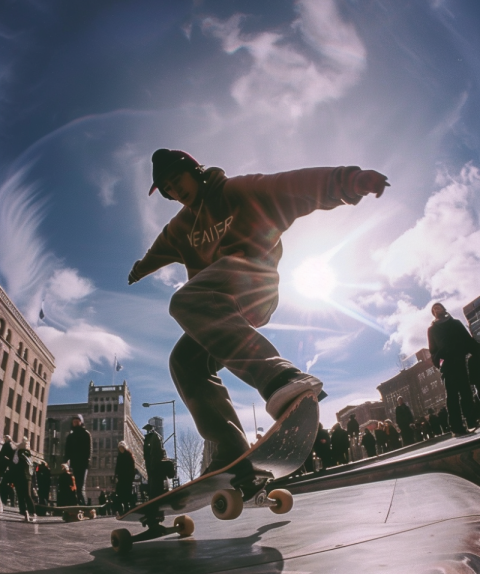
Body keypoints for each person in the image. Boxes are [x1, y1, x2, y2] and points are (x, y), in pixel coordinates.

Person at [128, 149, 389, 473]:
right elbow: (159, 249)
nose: (175, 190)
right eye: (167, 188)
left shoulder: (235, 192)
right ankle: (231, 449)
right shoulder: (180, 227)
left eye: (176, 180)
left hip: (254, 281)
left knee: (184, 300)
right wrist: (140, 268)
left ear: (193, 170)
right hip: (219, 308)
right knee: (184, 362)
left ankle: (280, 378)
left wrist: (348, 180)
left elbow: (289, 185)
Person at [428, 302, 479, 436]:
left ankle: (471, 421)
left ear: (443, 309)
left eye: (438, 307)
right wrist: (439, 361)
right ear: (433, 314)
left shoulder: (455, 323)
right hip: (447, 364)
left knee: (466, 392)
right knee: (452, 394)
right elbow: (432, 350)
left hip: (459, 361)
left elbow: (467, 340)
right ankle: (456, 427)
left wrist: (477, 351)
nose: (436, 309)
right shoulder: (432, 329)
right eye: (434, 309)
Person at [64, 414, 92, 504]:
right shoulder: (70, 436)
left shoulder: (85, 433)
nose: (75, 422)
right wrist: (65, 462)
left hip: (83, 464)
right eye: (74, 421)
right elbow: (67, 450)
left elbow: (89, 449)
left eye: (77, 420)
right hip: (74, 464)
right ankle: (77, 504)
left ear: (81, 422)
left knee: (80, 486)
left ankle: (83, 505)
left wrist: (88, 460)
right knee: (75, 486)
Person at [143, 423, 176, 499]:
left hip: (152, 468)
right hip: (155, 466)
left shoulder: (148, 440)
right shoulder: (153, 438)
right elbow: (155, 452)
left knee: (155, 484)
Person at [12, 438, 37, 522]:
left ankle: (24, 512)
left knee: (20, 496)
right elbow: (31, 469)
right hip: (28, 478)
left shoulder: (17, 453)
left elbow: (14, 464)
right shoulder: (29, 456)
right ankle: (32, 512)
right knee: (28, 495)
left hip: (18, 477)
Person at [114, 441, 136, 514]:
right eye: (120, 448)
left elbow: (132, 467)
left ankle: (130, 505)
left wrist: (132, 476)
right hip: (121, 477)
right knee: (121, 492)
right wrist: (115, 475)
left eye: (122, 448)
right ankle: (125, 506)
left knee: (128, 492)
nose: (121, 450)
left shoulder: (129, 455)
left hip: (128, 477)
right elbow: (117, 467)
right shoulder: (119, 456)